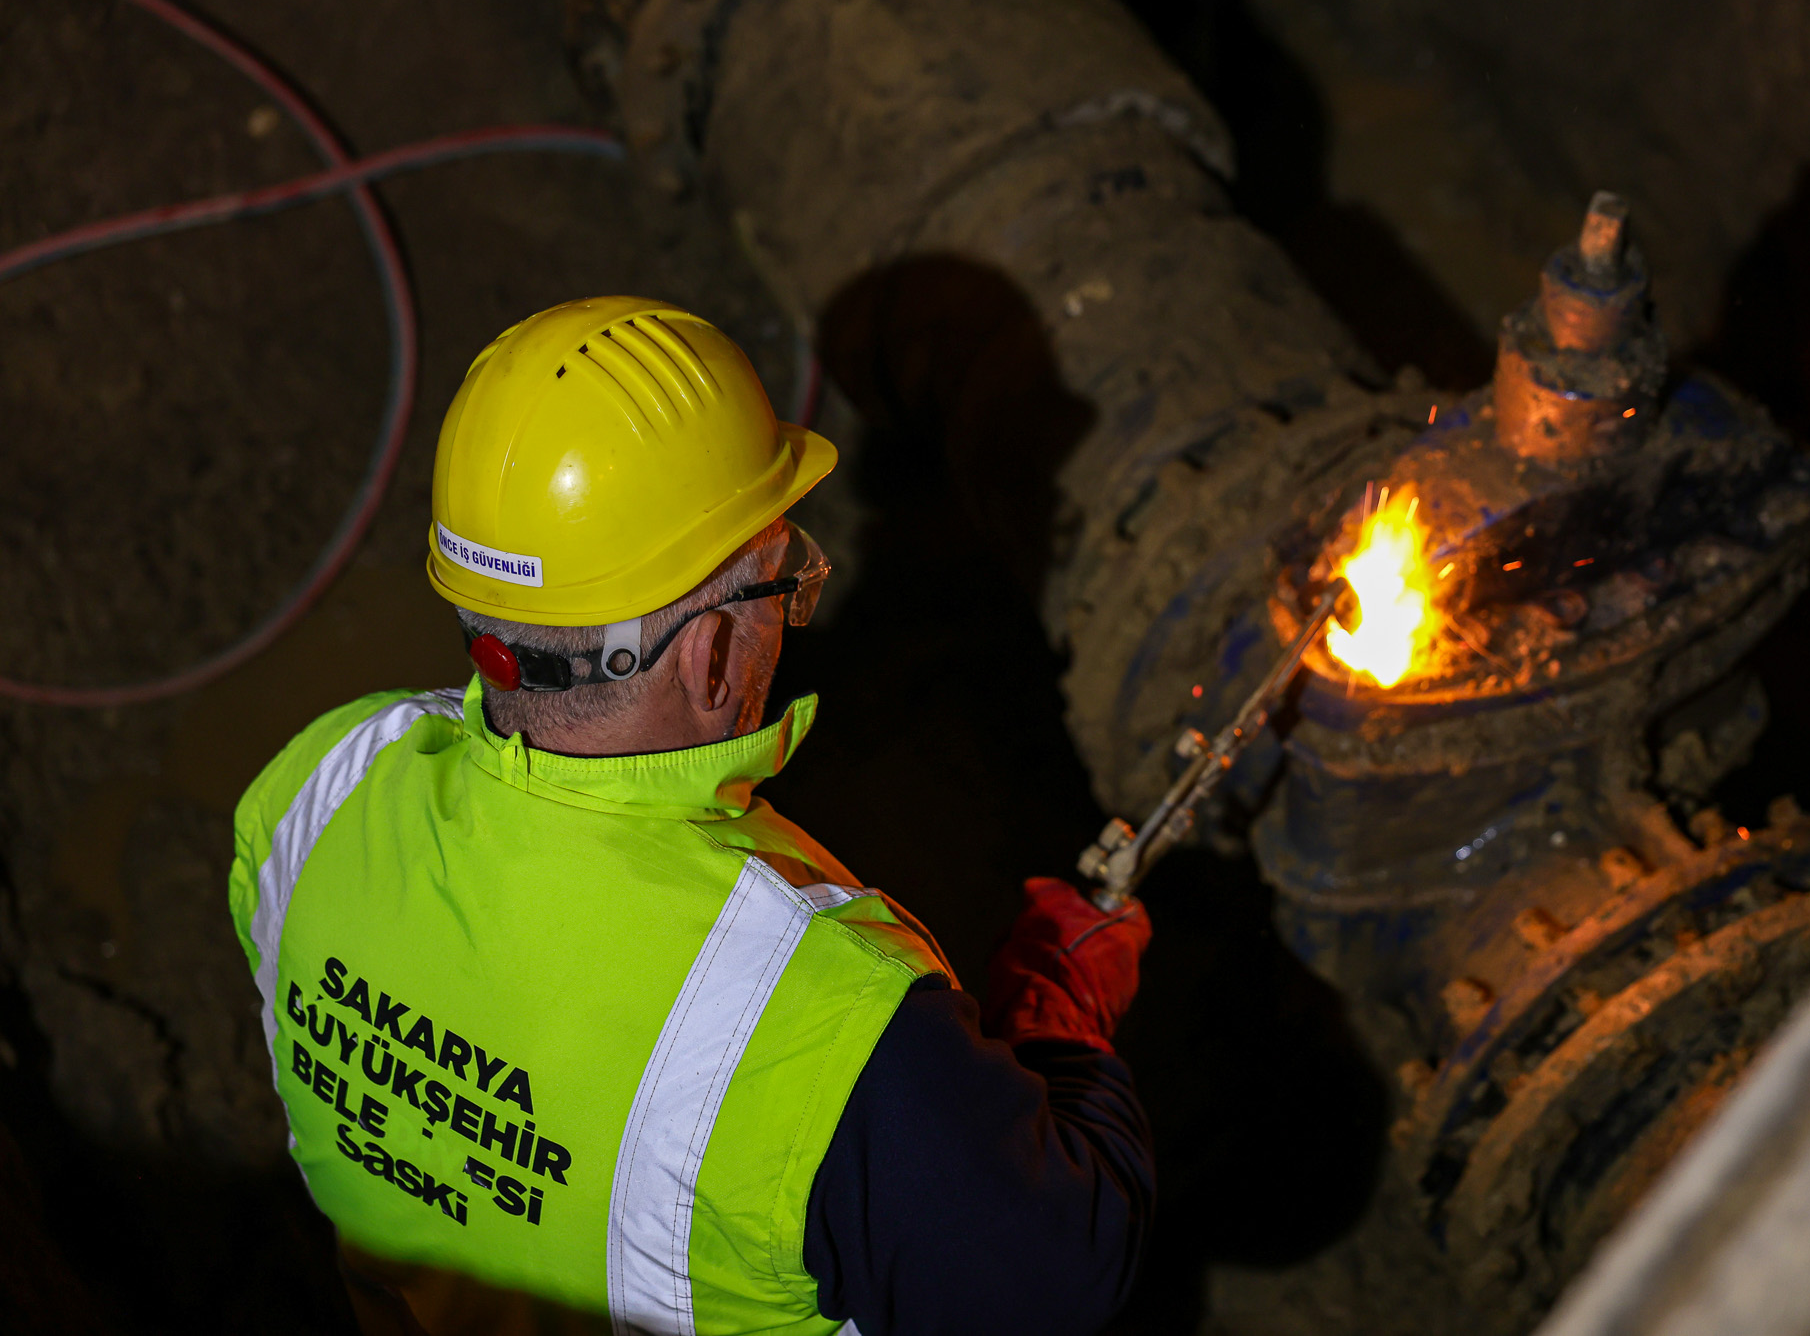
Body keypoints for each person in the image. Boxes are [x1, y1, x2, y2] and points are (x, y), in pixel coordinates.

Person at [227, 297, 1154, 1335]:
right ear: (711, 653)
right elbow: (1060, 1277)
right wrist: (1060, 1023)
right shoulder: (825, 1027)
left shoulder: (319, 785)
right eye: (780, 582)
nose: (796, 608)